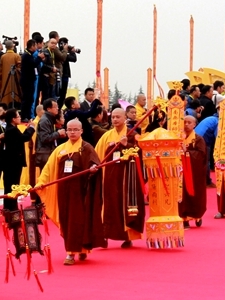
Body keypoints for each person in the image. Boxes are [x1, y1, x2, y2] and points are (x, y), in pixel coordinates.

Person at [34, 119, 105, 265]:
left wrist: (93, 169)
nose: (72, 132)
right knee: (67, 221)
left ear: (81, 131)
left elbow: (95, 164)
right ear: (65, 131)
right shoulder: (60, 150)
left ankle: (73, 253)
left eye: (75, 129)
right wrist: (41, 183)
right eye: (69, 129)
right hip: (64, 192)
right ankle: (75, 249)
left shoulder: (86, 148)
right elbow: (48, 169)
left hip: (80, 192)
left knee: (78, 221)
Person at [94, 108, 145, 247]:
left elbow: (139, 154)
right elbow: (98, 155)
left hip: (126, 178)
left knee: (123, 206)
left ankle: (127, 236)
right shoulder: (107, 136)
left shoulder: (133, 134)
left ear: (124, 118)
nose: (115, 119)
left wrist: (125, 145)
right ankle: (104, 235)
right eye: (113, 117)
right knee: (109, 206)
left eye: (118, 117)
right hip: (109, 177)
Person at [0, 109, 35, 210]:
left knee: (11, 185)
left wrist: (27, 129)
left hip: (12, 162)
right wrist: (32, 128)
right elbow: (24, 138)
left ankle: (10, 207)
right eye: (18, 116)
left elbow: (20, 137)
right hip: (13, 162)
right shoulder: (12, 129)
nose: (20, 118)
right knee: (12, 185)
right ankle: (11, 208)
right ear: (13, 119)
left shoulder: (12, 128)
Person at [179, 115, 208, 226]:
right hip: (181, 171)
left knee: (194, 193)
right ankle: (183, 217)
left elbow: (201, 155)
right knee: (182, 194)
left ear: (194, 124)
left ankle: (196, 215)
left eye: (189, 122)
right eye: (184, 122)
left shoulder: (198, 139)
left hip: (194, 172)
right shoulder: (179, 138)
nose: (186, 124)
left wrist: (187, 152)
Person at [34, 98, 65, 170]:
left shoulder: (50, 119)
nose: (57, 108)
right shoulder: (45, 120)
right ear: (48, 109)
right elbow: (45, 138)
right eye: (55, 107)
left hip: (48, 152)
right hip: (45, 153)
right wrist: (58, 133)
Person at [19, 39, 40, 120]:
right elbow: (33, 64)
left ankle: (27, 115)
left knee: (30, 99)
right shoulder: (26, 55)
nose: (36, 47)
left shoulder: (29, 55)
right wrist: (39, 58)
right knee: (26, 99)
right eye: (35, 45)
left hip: (30, 80)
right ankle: (24, 116)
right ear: (31, 46)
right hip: (26, 80)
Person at [57, 36, 78, 108]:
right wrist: (72, 51)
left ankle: (59, 107)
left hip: (65, 75)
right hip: (61, 75)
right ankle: (58, 107)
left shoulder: (63, 52)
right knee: (60, 94)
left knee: (63, 94)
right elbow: (73, 58)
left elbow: (73, 59)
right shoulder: (60, 53)